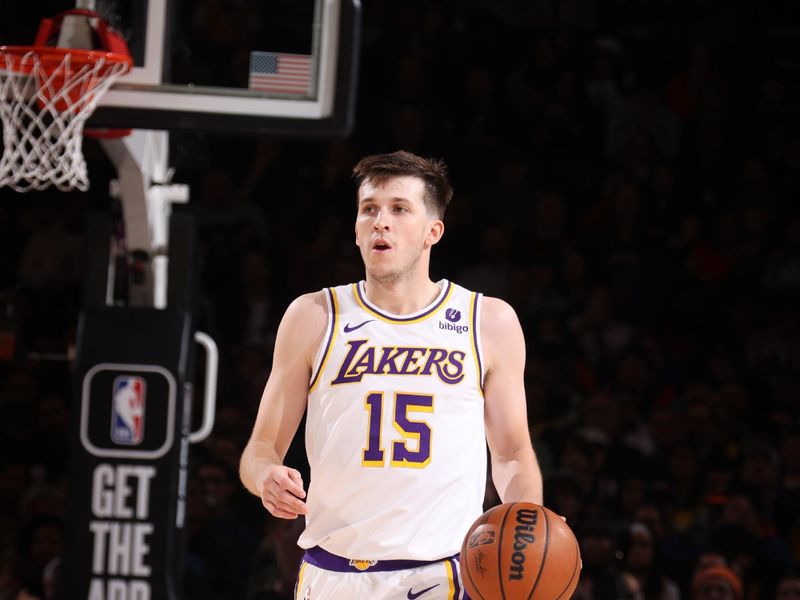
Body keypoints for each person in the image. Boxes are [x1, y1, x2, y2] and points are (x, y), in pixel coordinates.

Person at [239, 150, 543, 599]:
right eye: (369, 210)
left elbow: (514, 454)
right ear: (357, 229)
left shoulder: (487, 322)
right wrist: (265, 476)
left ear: (432, 232)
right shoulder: (313, 316)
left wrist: (523, 539)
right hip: (332, 572)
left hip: (441, 574)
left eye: (400, 209)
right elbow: (260, 449)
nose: (381, 221)